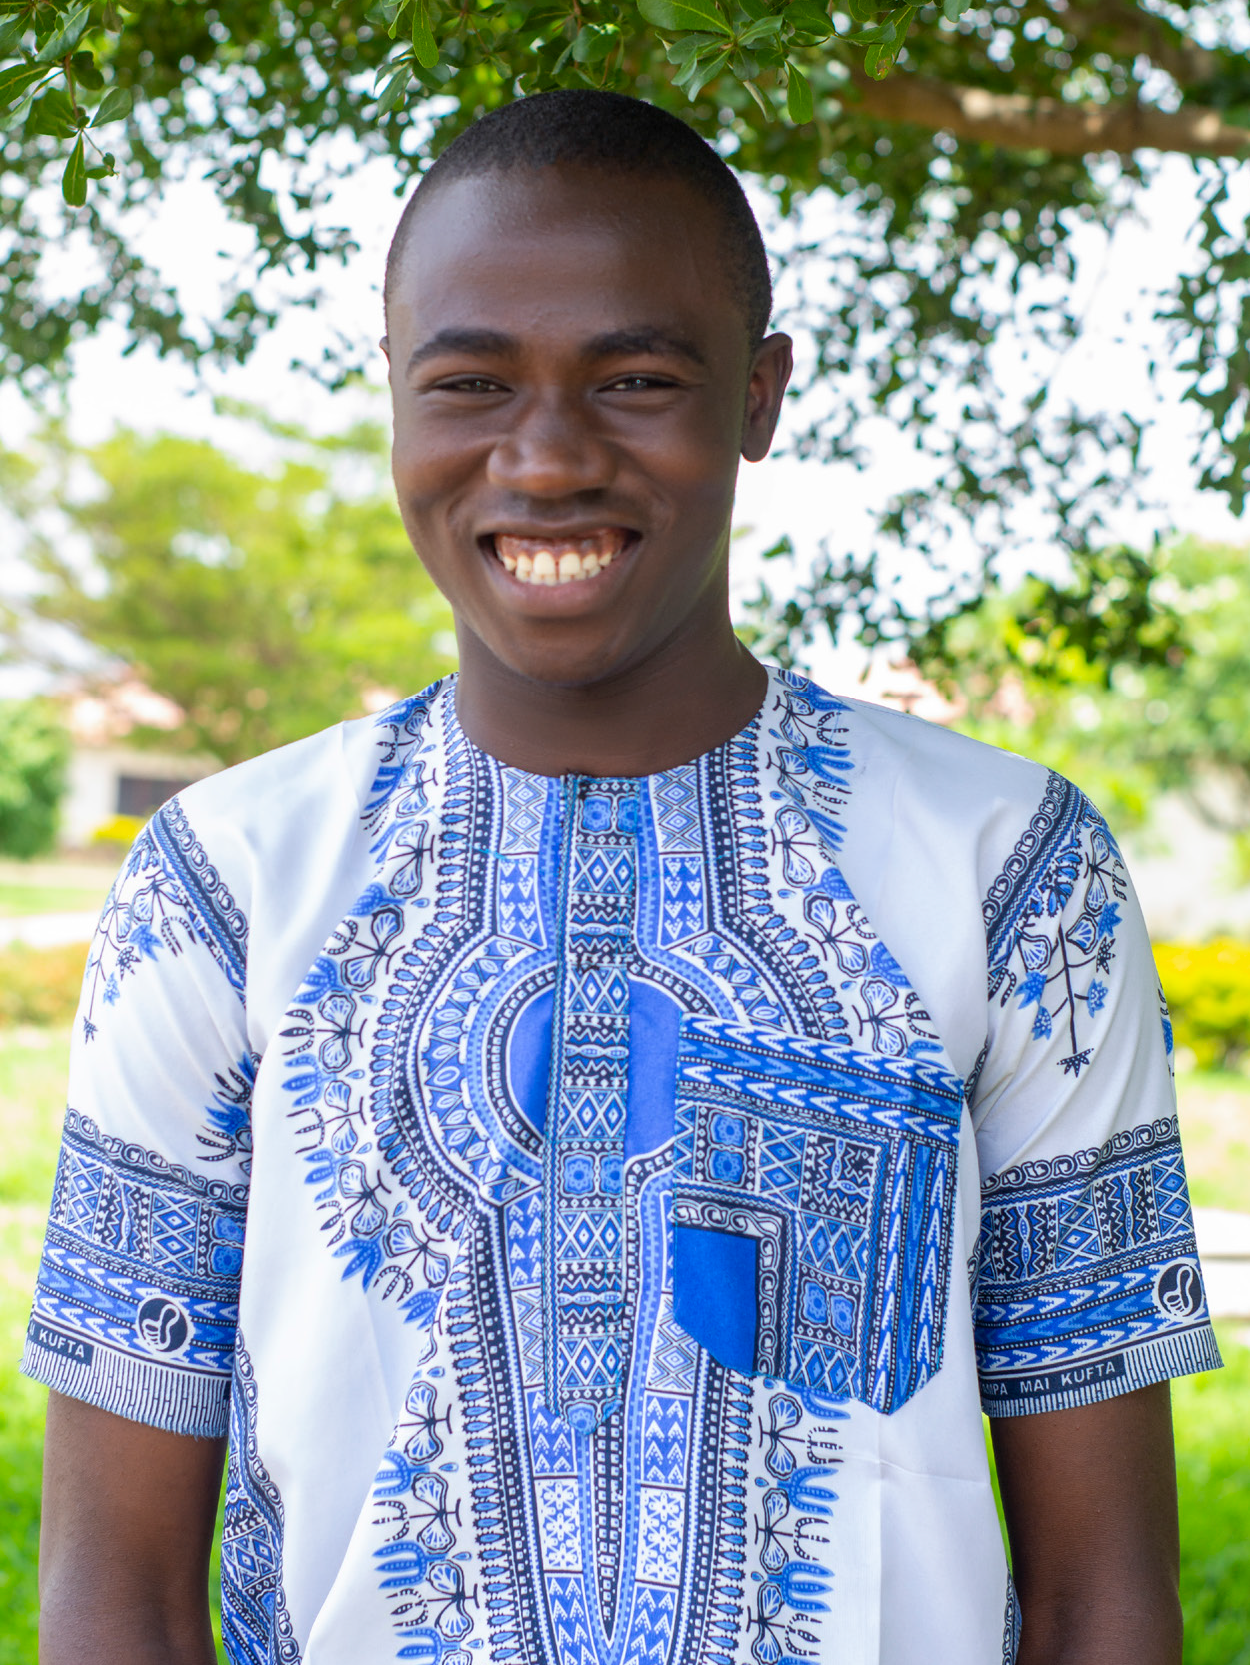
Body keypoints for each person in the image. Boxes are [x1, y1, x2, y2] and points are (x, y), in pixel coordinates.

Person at [27, 89, 1220, 1665]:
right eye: (469, 383)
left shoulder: (1006, 869)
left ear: (758, 394)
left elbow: (1100, 1591)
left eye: (636, 380)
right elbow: (114, 1588)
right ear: (394, 392)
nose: (545, 458)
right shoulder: (227, 880)